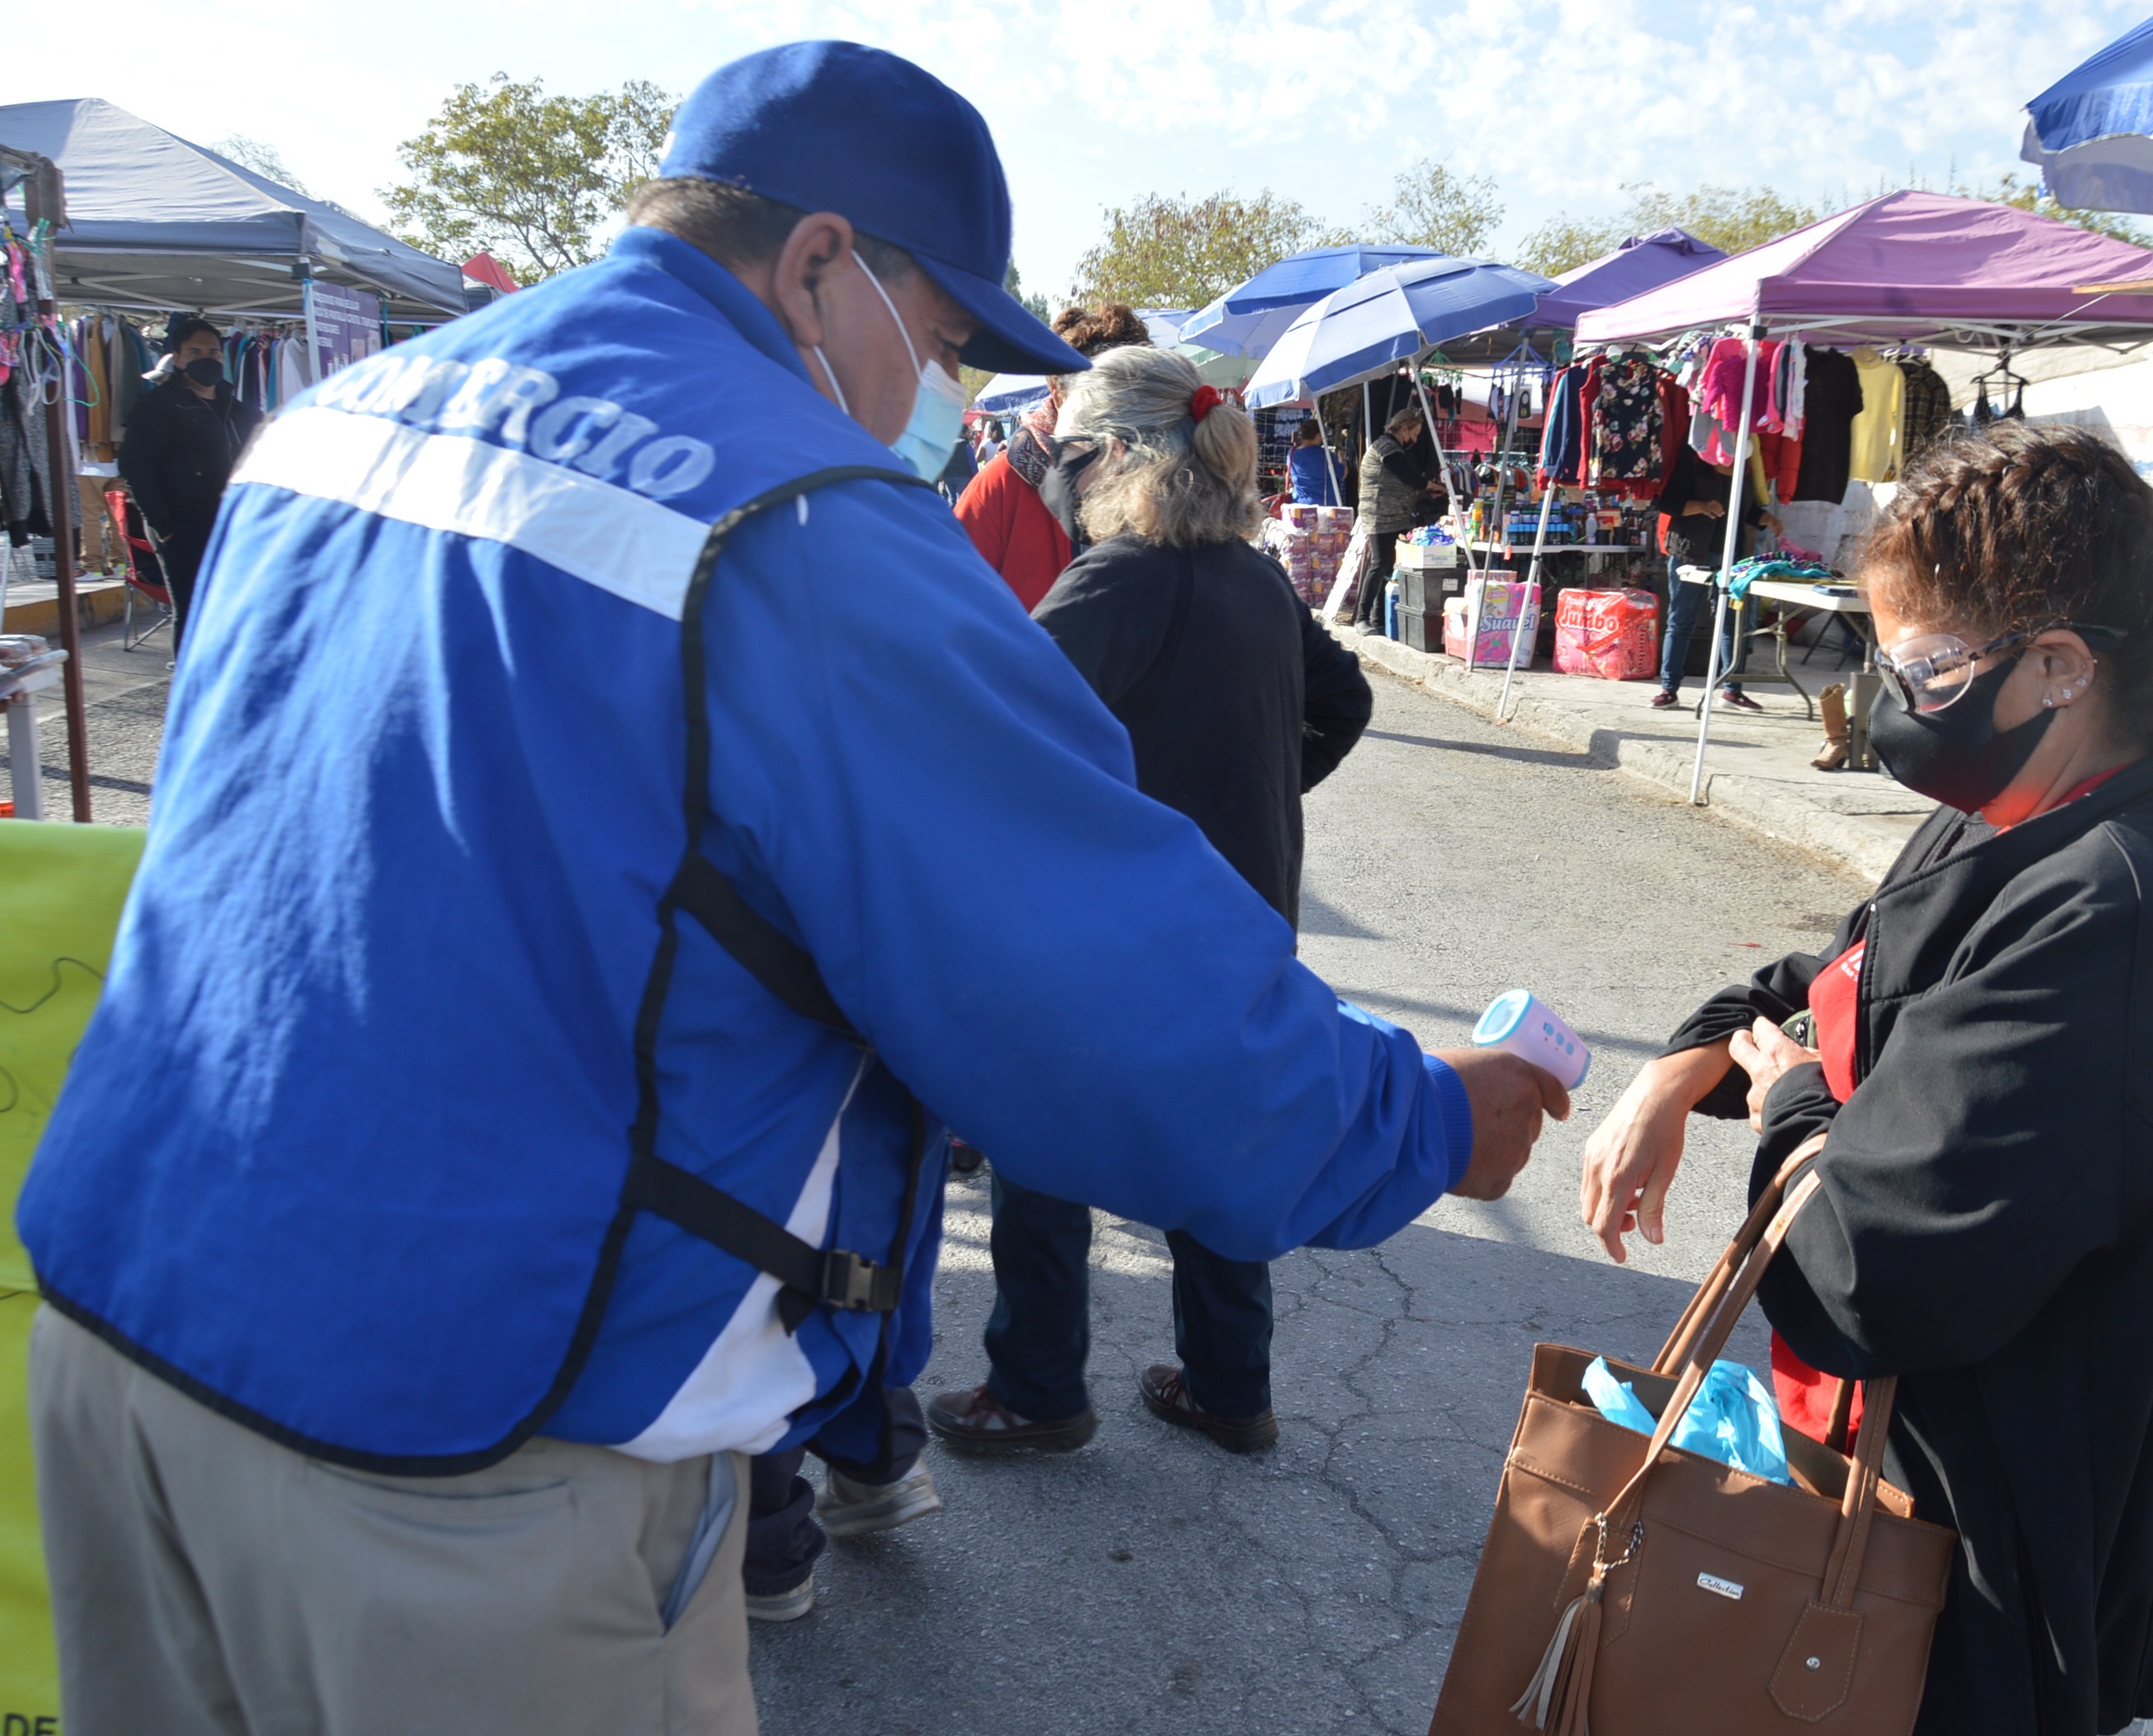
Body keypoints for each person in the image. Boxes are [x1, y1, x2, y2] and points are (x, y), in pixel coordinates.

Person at [20, 43, 1568, 1736]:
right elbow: (1095, 996)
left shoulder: (340, 416)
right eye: (947, 331)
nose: (944, 380)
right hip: (458, 1431)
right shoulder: (796, 518)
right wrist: (1419, 1121)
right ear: (822, 263)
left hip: (116, 1313)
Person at [1579, 424, 2153, 1736]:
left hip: (2001, 1557)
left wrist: (1789, 1105)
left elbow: (1865, 1267)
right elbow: (1841, 973)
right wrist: (1683, 1067)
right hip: (1911, 1495)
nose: (1895, 699)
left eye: (1926, 664)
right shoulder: (2027, 810)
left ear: (2060, 666)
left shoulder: (2118, 900)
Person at [932, 347, 1373, 1457]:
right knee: (1219, 1147)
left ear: (1122, 453)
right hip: (1240, 912)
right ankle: (1231, 1386)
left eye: (1077, 453)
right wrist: (1261, 792)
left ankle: (1036, 1386)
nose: (1068, 475)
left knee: (1041, 1139)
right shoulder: (1253, 576)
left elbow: (990, 734)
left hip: (1122, 924)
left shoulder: (1120, 576)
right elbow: (1345, 699)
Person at [951, 302, 1149, 608]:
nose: (1118, 414)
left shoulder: (1170, 484)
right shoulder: (1000, 488)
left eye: (1132, 395)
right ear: (1058, 395)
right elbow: (948, 610)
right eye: (1100, 395)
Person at [115, 316, 261, 648]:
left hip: (233, 524)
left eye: (213, 352)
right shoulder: (158, 406)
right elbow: (136, 466)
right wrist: (164, 526)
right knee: (194, 609)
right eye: (194, 352)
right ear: (177, 359)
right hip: (183, 526)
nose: (205, 359)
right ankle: (191, 691)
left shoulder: (237, 408)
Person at [1649, 442, 1777, 711]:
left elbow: (1747, 511)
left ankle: (1733, 690)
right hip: (1690, 552)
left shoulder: (1745, 467)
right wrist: (1701, 506)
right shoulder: (1693, 458)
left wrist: (1767, 518)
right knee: (1682, 620)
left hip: (1731, 557)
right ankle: (1669, 689)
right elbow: (1667, 502)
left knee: (1732, 623)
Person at [1353, 405, 1445, 628]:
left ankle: (1379, 618)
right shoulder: (1386, 448)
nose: (1414, 438)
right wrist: (1432, 485)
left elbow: (1401, 482)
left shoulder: (1391, 447)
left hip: (1395, 514)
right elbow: (1408, 477)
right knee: (1381, 563)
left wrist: (1425, 490)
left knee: (1390, 564)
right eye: (1414, 433)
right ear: (1404, 429)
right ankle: (1362, 618)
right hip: (1381, 514)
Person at [1286, 417, 1340, 507]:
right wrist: (1342, 457)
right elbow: (1342, 473)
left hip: (1298, 504)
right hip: (1324, 506)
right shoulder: (1326, 455)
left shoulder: (1292, 453)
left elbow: (1288, 474)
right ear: (1318, 435)